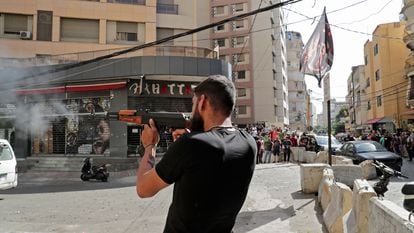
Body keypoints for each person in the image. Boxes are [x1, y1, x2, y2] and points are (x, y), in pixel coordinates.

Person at [136, 75, 256, 233]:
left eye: (193, 104)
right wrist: (189, 141)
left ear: (202, 102)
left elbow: (144, 189)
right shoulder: (248, 143)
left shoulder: (191, 145)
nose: (191, 112)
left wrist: (150, 145)